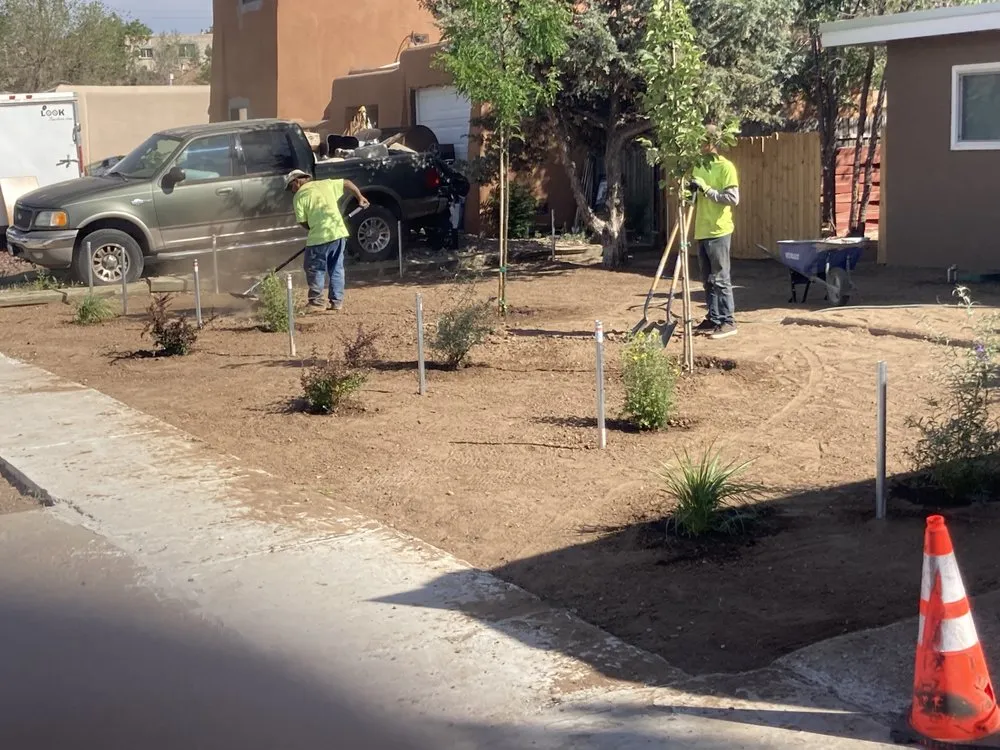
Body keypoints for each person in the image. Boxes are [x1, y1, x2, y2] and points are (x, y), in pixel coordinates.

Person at [285, 169, 369, 311]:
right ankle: (336, 302)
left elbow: (303, 222)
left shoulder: (299, 196)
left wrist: (315, 229)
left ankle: (316, 302)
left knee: (314, 268)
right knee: (336, 267)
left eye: (291, 187)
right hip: (338, 233)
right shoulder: (326, 184)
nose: (291, 191)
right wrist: (360, 198)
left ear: (297, 181)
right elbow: (347, 183)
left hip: (319, 238)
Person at [688, 126, 740, 340]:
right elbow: (694, 196)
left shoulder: (726, 167)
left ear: (712, 143)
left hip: (719, 230)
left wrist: (707, 189)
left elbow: (733, 198)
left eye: (702, 141)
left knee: (720, 278)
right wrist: (688, 192)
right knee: (707, 279)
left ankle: (728, 321)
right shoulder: (698, 166)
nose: (699, 145)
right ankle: (714, 317)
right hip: (702, 228)